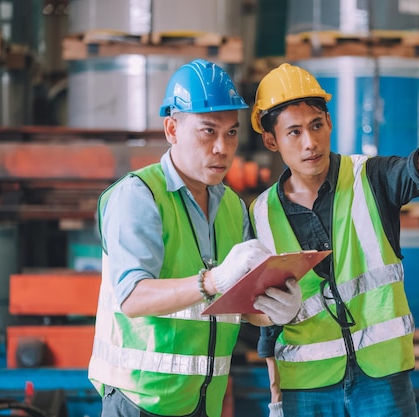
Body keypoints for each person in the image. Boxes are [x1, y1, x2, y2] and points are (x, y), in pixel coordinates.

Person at [249, 63, 419, 417]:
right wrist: (276, 397)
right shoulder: (261, 214)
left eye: (315, 126)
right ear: (271, 140)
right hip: (306, 384)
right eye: (294, 132)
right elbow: (265, 325)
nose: (310, 142)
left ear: (329, 122)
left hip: (382, 376)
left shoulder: (368, 177)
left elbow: (417, 169)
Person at [87, 59, 302, 417]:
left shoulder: (232, 205)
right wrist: (212, 280)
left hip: (205, 401)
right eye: (208, 131)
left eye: (231, 132)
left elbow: (240, 302)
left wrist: (277, 311)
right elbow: (132, 296)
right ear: (172, 129)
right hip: (141, 400)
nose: (223, 147)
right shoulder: (139, 196)